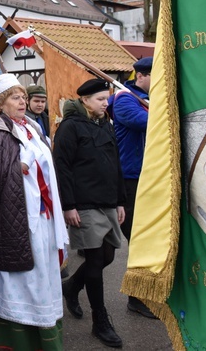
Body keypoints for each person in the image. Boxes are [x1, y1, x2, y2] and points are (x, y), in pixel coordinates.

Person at [0, 73, 68, 350]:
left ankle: (45, 336)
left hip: (43, 219)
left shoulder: (32, 129)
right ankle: (18, 340)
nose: (22, 102)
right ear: (1, 103)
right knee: (22, 283)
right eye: (16, 97)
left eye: (23, 97)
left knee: (43, 278)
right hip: (15, 224)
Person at [53, 78, 126, 348]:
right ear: (84, 100)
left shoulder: (105, 124)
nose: (106, 104)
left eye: (106, 99)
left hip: (107, 201)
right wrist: (68, 205)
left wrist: (119, 201)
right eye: (100, 100)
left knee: (108, 256)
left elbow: (114, 163)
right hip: (84, 204)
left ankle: (71, 287)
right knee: (95, 261)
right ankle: (100, 321)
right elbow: (62, 168)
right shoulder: (70, 128)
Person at [110, 56, 157, 319]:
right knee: (138, 240)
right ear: (140, 76)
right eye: (154, 75)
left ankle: (73, 287)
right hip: (128, 179)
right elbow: (150, 123)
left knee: (146, 238)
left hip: (146, 177)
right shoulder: (125, 99)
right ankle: (136, 298)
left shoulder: (146, 99)